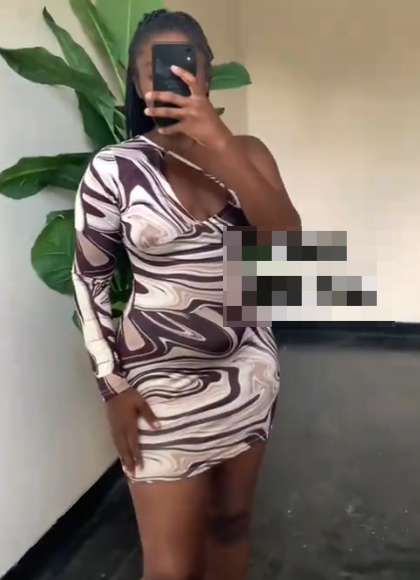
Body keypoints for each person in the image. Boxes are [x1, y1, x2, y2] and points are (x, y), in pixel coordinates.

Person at [72, 8, 301, 580]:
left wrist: (219, 143)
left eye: (185, 63)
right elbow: (90, 281)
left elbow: (287, 247)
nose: (172, 77)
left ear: (207, 71)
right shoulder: (115, 169)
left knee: (231, 525)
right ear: (137, 81)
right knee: (170, 568)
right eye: (156, 67)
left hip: (247, 371)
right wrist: (111, 387)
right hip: (157, 387)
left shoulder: (247, 152)